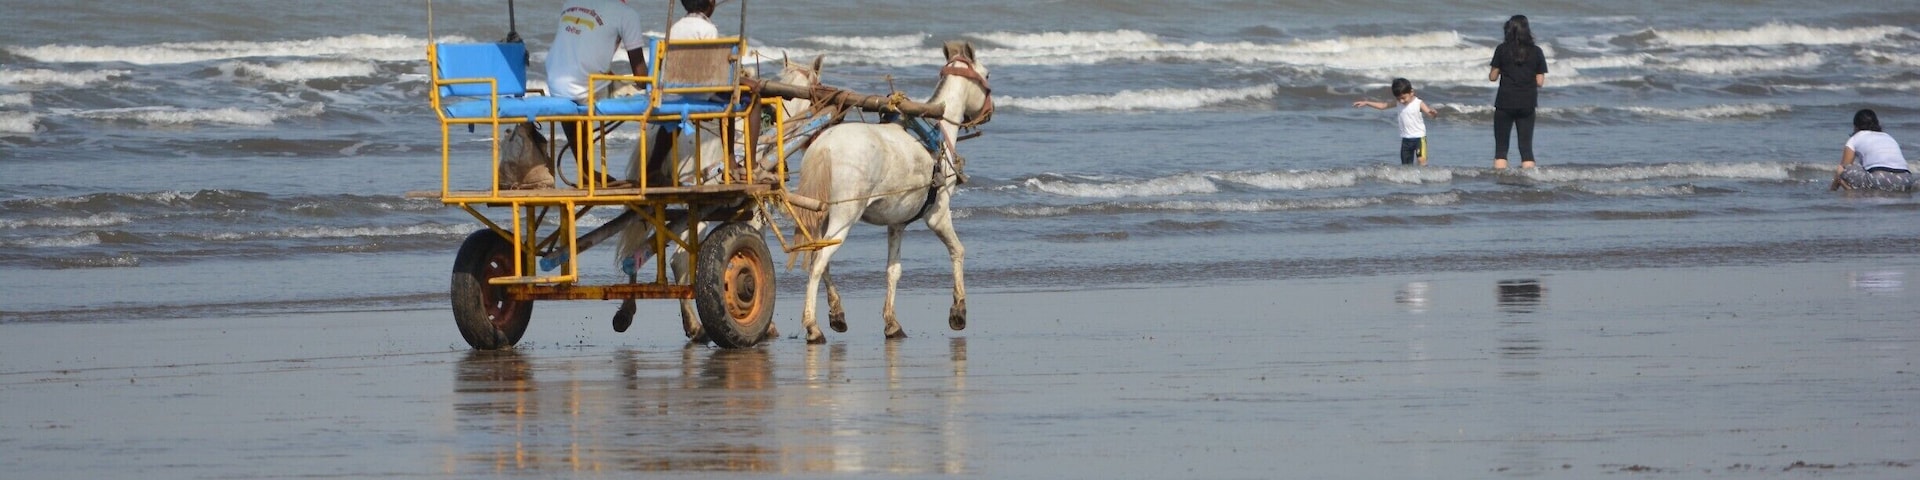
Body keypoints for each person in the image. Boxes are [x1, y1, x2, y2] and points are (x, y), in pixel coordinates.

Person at [546, 0, 649, 150]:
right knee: (656, 98)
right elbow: (641, 77)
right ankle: (653, 167)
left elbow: (582, 55)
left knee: (583, 83)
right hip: (586, 92)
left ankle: (584, 164)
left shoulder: (571, 2)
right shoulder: (626, 14)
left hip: (556, 86)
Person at [1488, 14, 1547, 170]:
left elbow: (1492, 77)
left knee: (1501, 150)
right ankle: (1528, 186)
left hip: (1505, 102)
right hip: (1527, 102)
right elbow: (1540, 82)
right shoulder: (1536, 51)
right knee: (1526, 149)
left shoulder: (1501, 49)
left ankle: (1500, 186)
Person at [1353, 78, 1439, 166]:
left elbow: (1430, 115)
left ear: (1411, 92)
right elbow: (1383, 106)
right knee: (1406, 166)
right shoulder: (1398, 102)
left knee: (1421, 160)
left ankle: (1425, 177)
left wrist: (1433, 113)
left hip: (1419, 138)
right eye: (1398, 98)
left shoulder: (1419, 103)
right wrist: (1367, 103)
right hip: (1406, 139)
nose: (1401, 101)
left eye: (1403, 98)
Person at [1831, 109, 1912, 192]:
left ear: (1856, 126)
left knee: (1842, 169)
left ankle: (1851, 192)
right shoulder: (1887, 136)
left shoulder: (1854, 138)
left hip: (1879, 179)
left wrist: (1832, 189)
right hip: (1906, 180)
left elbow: (1844, 166)